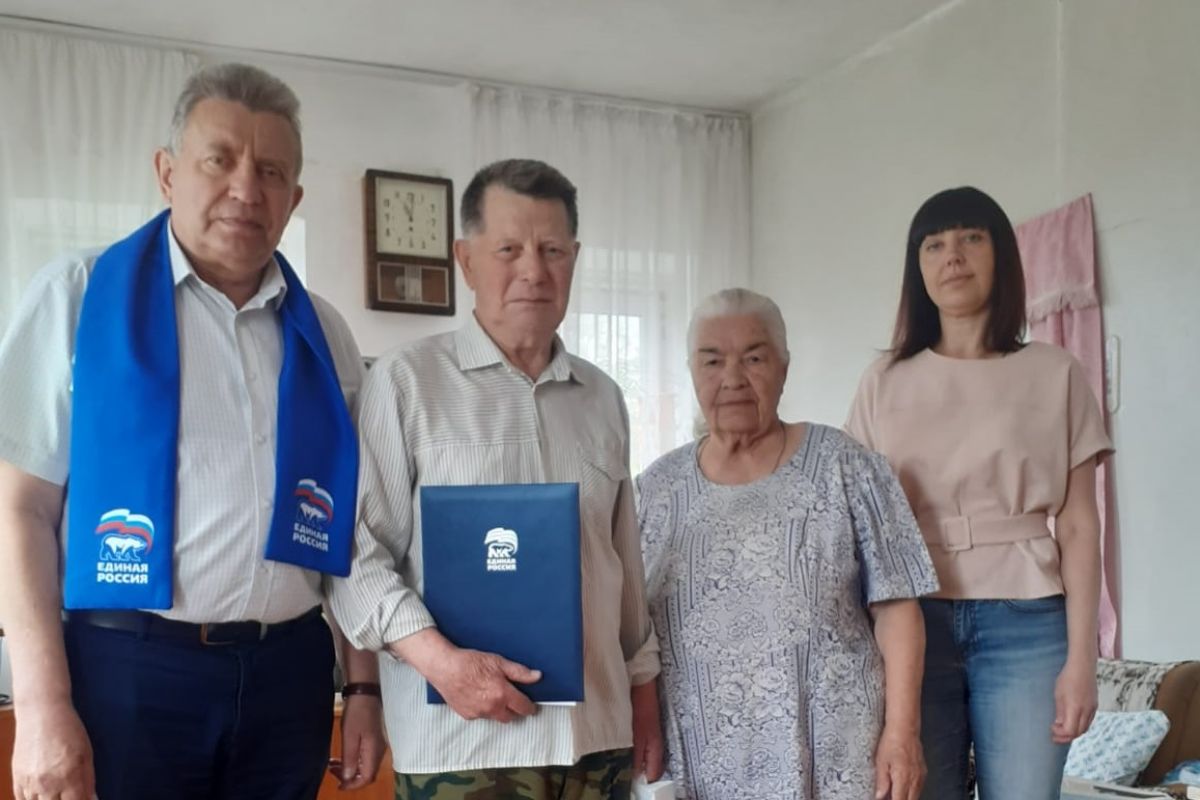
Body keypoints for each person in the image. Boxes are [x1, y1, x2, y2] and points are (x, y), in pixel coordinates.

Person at [0, 63, 385, 800]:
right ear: (167, 172)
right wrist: (42, 708)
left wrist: (362, 688)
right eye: (220, 160)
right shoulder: (77, 295)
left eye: (271, 172)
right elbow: (19, 510)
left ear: (294, 199)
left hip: (290, 678)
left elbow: (347, 528)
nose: (246, 189)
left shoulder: (324, 336)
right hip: (127, 672)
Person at [329, 158, 662, 800]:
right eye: (509, 249)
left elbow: (623, 567)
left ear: (574, 259)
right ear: (466, 259)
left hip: (598, 741)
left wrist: (642, 693)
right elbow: (355, 555)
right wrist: (441, 663)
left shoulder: (603, 397)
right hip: (464, 746)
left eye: (552, 250)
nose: (533, 271)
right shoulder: (405, 382)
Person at [845, 186, 1113, 800]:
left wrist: (1083, 660)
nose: (953, 256)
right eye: (934, 245)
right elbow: (856, 527)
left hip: (1028, 621)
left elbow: (1079, 525)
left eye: (971, 238)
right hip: (911, 621)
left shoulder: (1056, 373)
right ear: (917, 268)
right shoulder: (883, 381)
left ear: (1002, 256)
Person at [637, 288, 937, 800]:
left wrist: (902, 733)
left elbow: (898, 608)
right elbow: (633, 631)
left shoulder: (845, 465)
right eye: (713, 361)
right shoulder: (655, 490)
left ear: (784, 367)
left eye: (754, 358)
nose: (733, 378)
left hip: (837, 762)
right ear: (691, 371)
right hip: (699, 769)